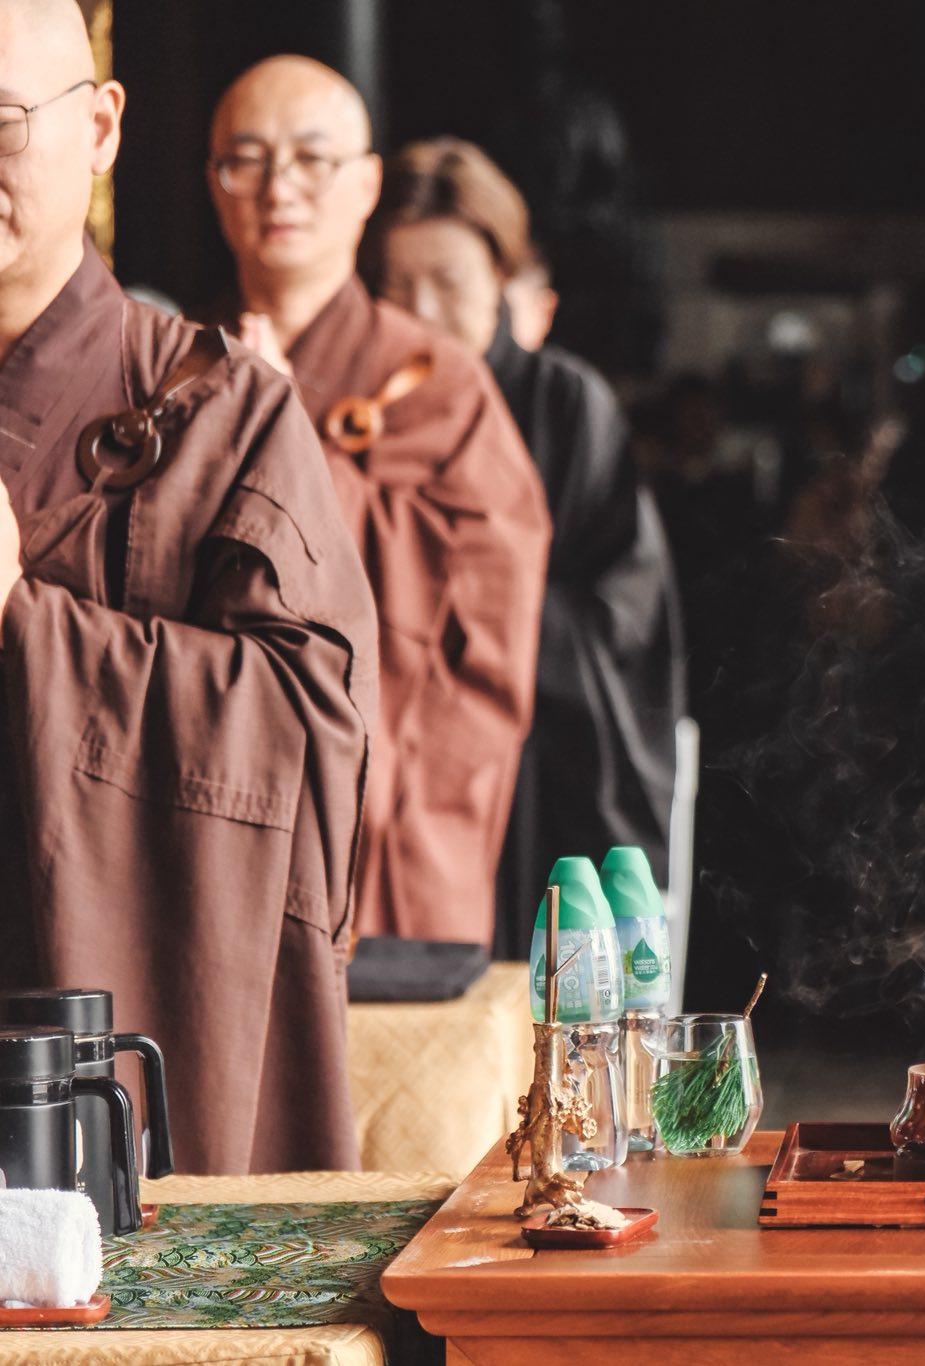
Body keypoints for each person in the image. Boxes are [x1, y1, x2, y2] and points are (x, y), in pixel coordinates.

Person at [0, 0, 377, 1172]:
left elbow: (311, 736)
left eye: (0, 123)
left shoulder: (223, 416)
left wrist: (22, 622)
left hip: (91, 1068)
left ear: (101, 129)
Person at [206, 58, 550, 946]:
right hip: (213, 799)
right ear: (215, 184)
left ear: (364, 185)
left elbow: (489, 616)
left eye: (312, 160)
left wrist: (290, 452)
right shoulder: (180, 367)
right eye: (246, 158)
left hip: (385, 812)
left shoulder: (440, 381)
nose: (280, 187)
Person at [365, 137, 685, 959]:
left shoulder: (564, 403)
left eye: (449, 283)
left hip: (540, 762)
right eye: (397, 286)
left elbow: (623, 612)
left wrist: (457, 611)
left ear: (503, 282)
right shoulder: (360, 406)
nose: (421, 311)